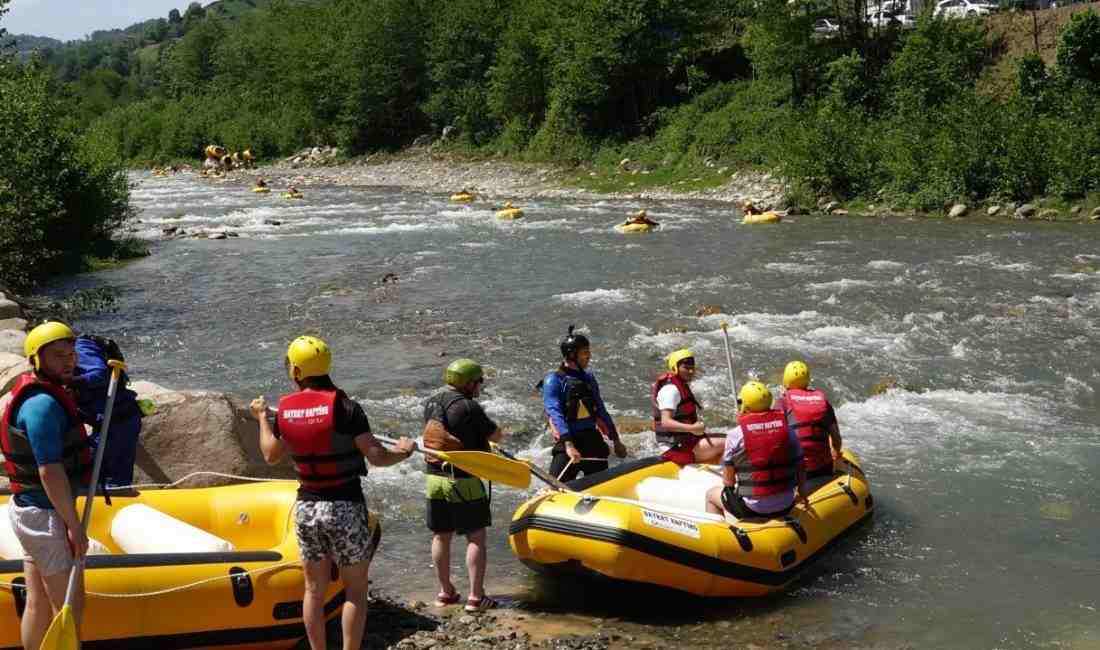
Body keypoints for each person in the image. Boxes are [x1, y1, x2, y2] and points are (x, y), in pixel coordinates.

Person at [250, 335, 416, 650]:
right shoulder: (347, 408)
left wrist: (262, 417)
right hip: (345, 507)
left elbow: (271, 455)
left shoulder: (284, 409)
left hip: (307, 509)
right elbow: (378, 458)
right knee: (355, 591)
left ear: (296, 371)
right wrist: (404, 451)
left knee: (313, 590)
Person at [1, 322, 92, 650]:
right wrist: (73, 525)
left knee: (38, 603)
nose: (67, 362)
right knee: (68, 607)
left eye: (70, 355)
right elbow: (50, 471)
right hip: (43, 515)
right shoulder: (42, 405)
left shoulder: (45, 395)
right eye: (57, 356)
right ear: (37, 360)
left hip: (30, 510)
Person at [421, 359, 504, 612]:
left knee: (441, 535)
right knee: (476, 536)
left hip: (433, 477)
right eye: (478, 382)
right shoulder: (469, 407)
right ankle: (476, 598)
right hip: (463, 479)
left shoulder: (431, 402)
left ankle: (446, 592)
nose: (479, 387)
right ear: (468, 383)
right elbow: (495, 435)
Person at [705, 381, 808, 519]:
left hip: (753, 508)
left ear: (745, 405)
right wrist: (802, 492)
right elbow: (801, 466)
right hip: (787, 503)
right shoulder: (787, 430)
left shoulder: (735, 434)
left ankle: (723, 535)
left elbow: (729, 482)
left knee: (711, 495)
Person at [541, 325, 627, 481]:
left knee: (602, 487)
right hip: (569, 442)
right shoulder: (553, 380)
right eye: (585, 352)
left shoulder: (589, 378)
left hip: (592, 440)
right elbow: (555, 412)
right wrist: (568, 445)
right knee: (554, 487)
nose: (589, 356)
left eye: (589, 352)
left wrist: (616, 440)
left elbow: (601, 409)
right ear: (572, 355)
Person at [70, 334, 142, 489]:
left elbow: (99, 374)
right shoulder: (65, 356)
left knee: (111, 478)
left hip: (118, 421)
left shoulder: (80, 346)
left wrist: (71, 382)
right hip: (106, 422)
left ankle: (114, 501)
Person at [774, 360, 842, 492]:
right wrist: (837, 455)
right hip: (823, 469)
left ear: (785, 381)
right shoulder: (824, 403)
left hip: (796, 474)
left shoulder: (782, 403)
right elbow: (836, 439)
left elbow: (774, 441)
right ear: (807, 381)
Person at [652, 348, 722, 466]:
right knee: (730, 443)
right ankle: (727, 478)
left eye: (692, 367)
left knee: (728, 437)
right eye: (686, 368)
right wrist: (692, 428)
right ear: (675, 368)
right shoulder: (671, 390)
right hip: (674, 449)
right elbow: (666, 422)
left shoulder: (680, 385)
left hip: (685, 442)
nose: (690, 371)